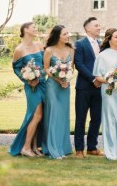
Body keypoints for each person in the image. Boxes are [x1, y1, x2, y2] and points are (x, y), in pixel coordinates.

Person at [9, 22, 46, 157]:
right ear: (25, 30)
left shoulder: (39, 45)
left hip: (43, 84)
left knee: (39, 116)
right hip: (32, 87)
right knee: (36, 115)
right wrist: (28, 79)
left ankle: (35, 147)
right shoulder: (19, 49)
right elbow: (16, 68)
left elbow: (45, 62)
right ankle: (25, 147)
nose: (36, 29)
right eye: (33, 27)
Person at [93, 28, 117, 160]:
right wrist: (111, 81)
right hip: (109, 90)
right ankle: (112, 149)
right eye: (116, 37)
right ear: (109, 39)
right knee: (111, 118)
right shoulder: (102, 55)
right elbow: (98, 76)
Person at [73, 17, 103, 158]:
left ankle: (92, 147)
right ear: (88, 28)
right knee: (81, 118)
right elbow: (79, 64)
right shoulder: (79, 44)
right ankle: (79, 149)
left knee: (96, 118)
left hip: (99, 87)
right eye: (96, 26)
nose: (99, 27)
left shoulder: (101, 44)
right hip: (84, 87)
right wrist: (93, 79)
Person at [43, 25, 74, 159]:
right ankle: (53, 148)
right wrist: (58, 79)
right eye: (65, 34)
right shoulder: (49, 50)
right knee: (54, 115)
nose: (68, 36)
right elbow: (46, 69)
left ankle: (63, 147)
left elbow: (71, 68)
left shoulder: (71, 50)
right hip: (52, 87)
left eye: (68, 33)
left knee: (63, 115)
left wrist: (67, 80)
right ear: (57, 36)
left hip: (65, 87)